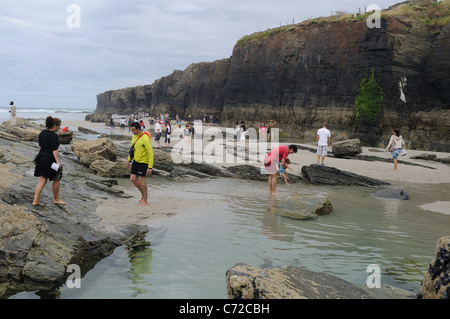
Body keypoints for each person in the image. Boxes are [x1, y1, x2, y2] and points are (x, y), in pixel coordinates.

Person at [33, 116, 66, 206]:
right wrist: (58, 162)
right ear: (55, 125)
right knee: (57, 178)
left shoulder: (42, 132)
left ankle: (35, 201)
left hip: (41, 158)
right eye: (59, 126)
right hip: (50, 160)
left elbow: (40, 147)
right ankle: (56, 199)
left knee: (42, 181)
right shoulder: (53, 135)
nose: (59, 128)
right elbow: (54, 150)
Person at [127, 122, 154, 207]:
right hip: (136, 161)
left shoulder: (145, 138)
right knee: (132, 179)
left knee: (142, 181)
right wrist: (128, 160)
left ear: (138, 129)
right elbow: (132, 149)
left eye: (133, 130)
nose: (132, 131)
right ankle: (143, 194)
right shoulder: (134, 137)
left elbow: (151, 153)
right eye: (131, 130)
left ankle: (145, 201)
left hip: (143, 162)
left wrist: (150, 167)